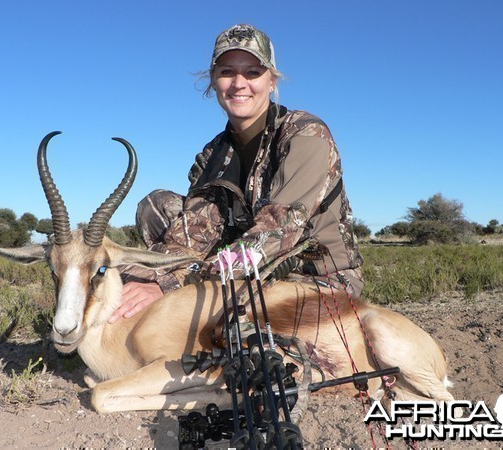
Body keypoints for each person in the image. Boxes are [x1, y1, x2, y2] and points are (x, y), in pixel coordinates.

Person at [110, 24, 363, 323]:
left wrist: (170, 283)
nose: (239, 83)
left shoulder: (306, 134)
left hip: (314, 277)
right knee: (157, 204)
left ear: (271, 81)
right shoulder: (213, 153)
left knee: (229, 328)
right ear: (213, 81)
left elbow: (276, 232)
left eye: (253, 72)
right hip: (243, 272)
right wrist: (131, 275)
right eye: (227, 72)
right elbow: (192, 235)